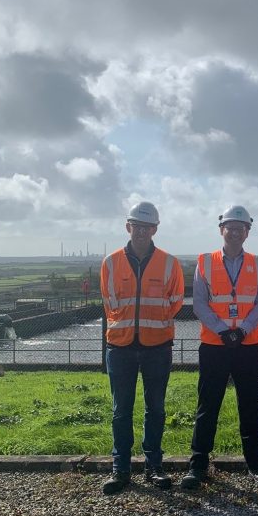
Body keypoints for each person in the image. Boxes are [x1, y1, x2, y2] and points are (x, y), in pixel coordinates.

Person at [181, 205, 258, 490]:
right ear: (221, 230)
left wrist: (242, 329)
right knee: (208, 405)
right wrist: (222, 330)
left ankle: (256, 465)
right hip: (214, 344)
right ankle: (198, 465)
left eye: (240, 228)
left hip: (248, 345)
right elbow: (199, 302)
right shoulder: (205, 262)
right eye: (230, 227)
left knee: (250, 404)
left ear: (247, 232)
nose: (235, 232)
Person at [100, 202, 184, 495]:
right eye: (136, 226)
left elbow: (175, 301)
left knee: (156, 409)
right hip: (120, 347)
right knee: (120, 411)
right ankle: (120, 469)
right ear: (128, 227)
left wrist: (155, 322)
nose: (141, 231)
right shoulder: (110, 263)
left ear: (155, 230)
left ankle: (153, 467)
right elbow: (109, 301)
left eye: (147, 227)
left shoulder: (169, 263)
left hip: (157, 346)